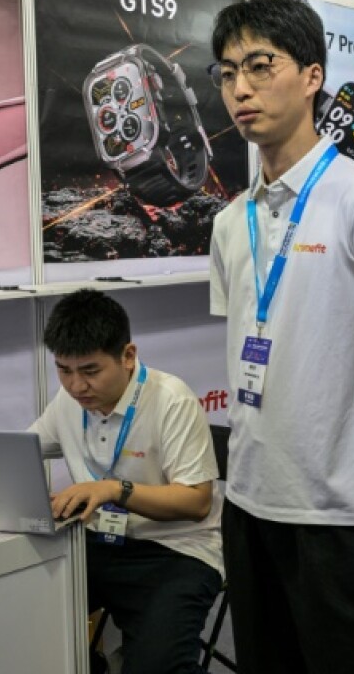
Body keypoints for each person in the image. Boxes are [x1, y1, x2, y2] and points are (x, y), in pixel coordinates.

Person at [207, 0, 354, 673]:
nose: (239, 88)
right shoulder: (228, 224)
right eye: (225, 73)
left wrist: (350, 439)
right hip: (249, 498)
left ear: (312, 77)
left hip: (341, 509)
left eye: (259, 65)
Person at [29, 289, 222, 674]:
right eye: (63, 370)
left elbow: (196, 502)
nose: (75, 386)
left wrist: (114, 489)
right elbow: (23, 452)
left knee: (157, 667)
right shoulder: (69, 402)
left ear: (128, 355)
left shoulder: (171, 400)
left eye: (90, 371)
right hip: (96, 544)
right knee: (13, 619)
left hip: (176, 550)